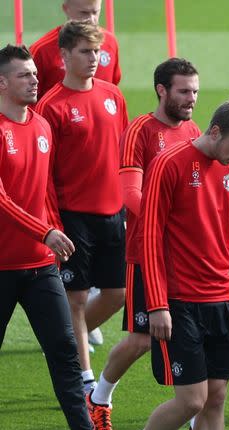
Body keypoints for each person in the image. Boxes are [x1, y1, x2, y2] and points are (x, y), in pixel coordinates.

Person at [118, 99, 229, 430]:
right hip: (179, 302)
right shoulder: (171, 163)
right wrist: (156, 304)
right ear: (215, 132)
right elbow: (149, 236)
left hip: (221, 299)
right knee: (191, 400)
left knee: (216, 398)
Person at [82, 58, 229, 430]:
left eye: (195, 91)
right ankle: (98, 399)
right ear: (161, 90)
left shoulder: (196, 131)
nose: (191, 99)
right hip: (147, 255)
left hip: (189, 262)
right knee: (142, 339)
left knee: (195, 338)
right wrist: (170, 220)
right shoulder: (140, 132)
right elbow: (130, 194)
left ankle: (199, 421)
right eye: (184, 91)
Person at [0, 44, 131, 430]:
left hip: (39, 266)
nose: (35, 79)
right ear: (2, 83)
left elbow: (45, 193)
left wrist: (54, 232)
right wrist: (45, 230)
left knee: (65, 354)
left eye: (35, 73)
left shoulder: (40, 125)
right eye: (24, 75)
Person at [35, 21, 128, 395]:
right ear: (65, 56)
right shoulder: (50, 106)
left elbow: (122, 152)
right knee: (75, 298)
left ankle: (68, 342)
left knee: (117, 293)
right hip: (73, 216)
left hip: (114, 211)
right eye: (86, 52)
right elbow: (43, 174)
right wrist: (53, 222)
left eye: (98, 52)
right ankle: (85, 380)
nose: (95, 59)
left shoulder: (112, 96)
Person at [30, 0, 121, 100]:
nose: (91, 20)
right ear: (66, 9)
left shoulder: (110, 42)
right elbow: (28, 100)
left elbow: (112, 87)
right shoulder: (42, 50)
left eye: (95, 12)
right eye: (84, 13)